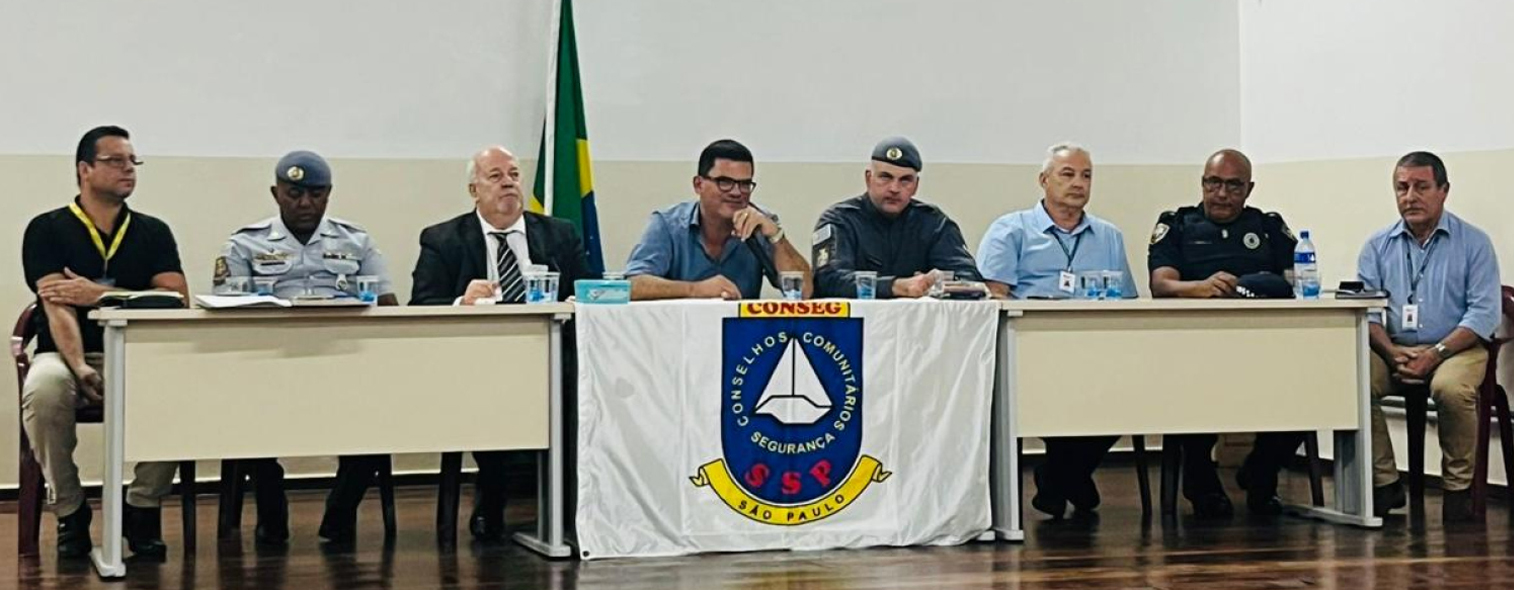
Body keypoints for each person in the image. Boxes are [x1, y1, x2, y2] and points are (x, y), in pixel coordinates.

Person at [21, 125, 190, 558]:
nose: (128, 169)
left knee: (180, 390)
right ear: (84, 169)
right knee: (44, 389)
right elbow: (57, 304)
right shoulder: (47, 228)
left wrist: (100, 295)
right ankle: (70, 510)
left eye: (133, 161)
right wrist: (79, 366)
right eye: (116, 161)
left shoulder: (153, 231)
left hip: (137, 353)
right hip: (66, 353)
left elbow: (176, 299)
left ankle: (143, 506)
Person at [215, 150, 399, 544]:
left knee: (380, 418)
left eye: (315, 194)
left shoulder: (357, 241)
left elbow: (387, 307)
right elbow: (230, 316)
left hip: (344, 365)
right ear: (275, 193)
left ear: (328, 195)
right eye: (294, 193)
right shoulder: (245, 243)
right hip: (270, 368)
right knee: (244, 414)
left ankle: (340, 513)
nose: (304, 203)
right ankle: (272, 509)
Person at [410, 145, 591, 540]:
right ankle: (492, 500)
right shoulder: (444, 239)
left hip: (553, 358)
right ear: (473, 190)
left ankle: (573, 514)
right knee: (490, 395)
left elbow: (586, 290)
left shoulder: (559, 234)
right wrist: (461, 302)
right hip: (479, 362)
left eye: (513, 175)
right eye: (495, 176)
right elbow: (421, 305)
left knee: (581, 394)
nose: (508, 183)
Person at [976, 142, 1137, 518]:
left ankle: (1059, 476)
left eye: (1086, 175)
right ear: (1043, 180)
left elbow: (1125, 300)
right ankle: (1070, 476)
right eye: (1067, 174)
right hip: (1030, 352)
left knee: (1128, 395)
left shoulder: (1109, 236)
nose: (1078, 183)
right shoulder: (1011, 230)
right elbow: (993, 298)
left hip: (1095, 353)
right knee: (1061, 394)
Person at [1147, 148, 1302, 517]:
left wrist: (1247, 286)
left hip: (1264, 347)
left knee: (1306, 387)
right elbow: (1161, 284)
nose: (1222, 193)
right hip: (1194, 347)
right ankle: (1202, 485)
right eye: (1213, 183)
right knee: (1191, 391)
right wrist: (1200, 288)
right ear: (1202, 183)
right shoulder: (1177, 224)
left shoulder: (1267, 227)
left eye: (1234, 186)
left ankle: (1261, 471)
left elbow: (1295, 281)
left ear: (1249, 189)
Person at [1358, 151, 1499, 522]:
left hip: (1456, 348)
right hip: (1394, 349)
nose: (1410, 197)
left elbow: (1483, 314)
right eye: (1402, 188)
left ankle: (1458, 490)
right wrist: (1391, 352)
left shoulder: (1474, 243)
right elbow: (1367, 312)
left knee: (1451, 389)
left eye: (1421, 187)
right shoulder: (1377, 246)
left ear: (1443, 191)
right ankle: (1385, 483)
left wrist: (1435, 354)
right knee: (1353, 380)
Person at [625, 139, 811, 300]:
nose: (736, 192)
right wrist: (695, 290)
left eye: (745, 184)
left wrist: (777, 237)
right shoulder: (668, 224)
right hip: (680, 327)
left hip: (740, 329)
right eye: (725, 182)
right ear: (699, 185)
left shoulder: (760, 224)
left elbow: (804, 292)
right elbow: (633, 285)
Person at [811, 136, 981, 298]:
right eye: (885, 177)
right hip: (857, 318)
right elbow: (827, 280)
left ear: (916, 186)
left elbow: (969, 277)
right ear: (869, 178)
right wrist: (896, 286)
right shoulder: (840, 220)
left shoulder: (934, 223)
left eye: (905, 180)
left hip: (918, 318)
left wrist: (937, 282)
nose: (894, 188)